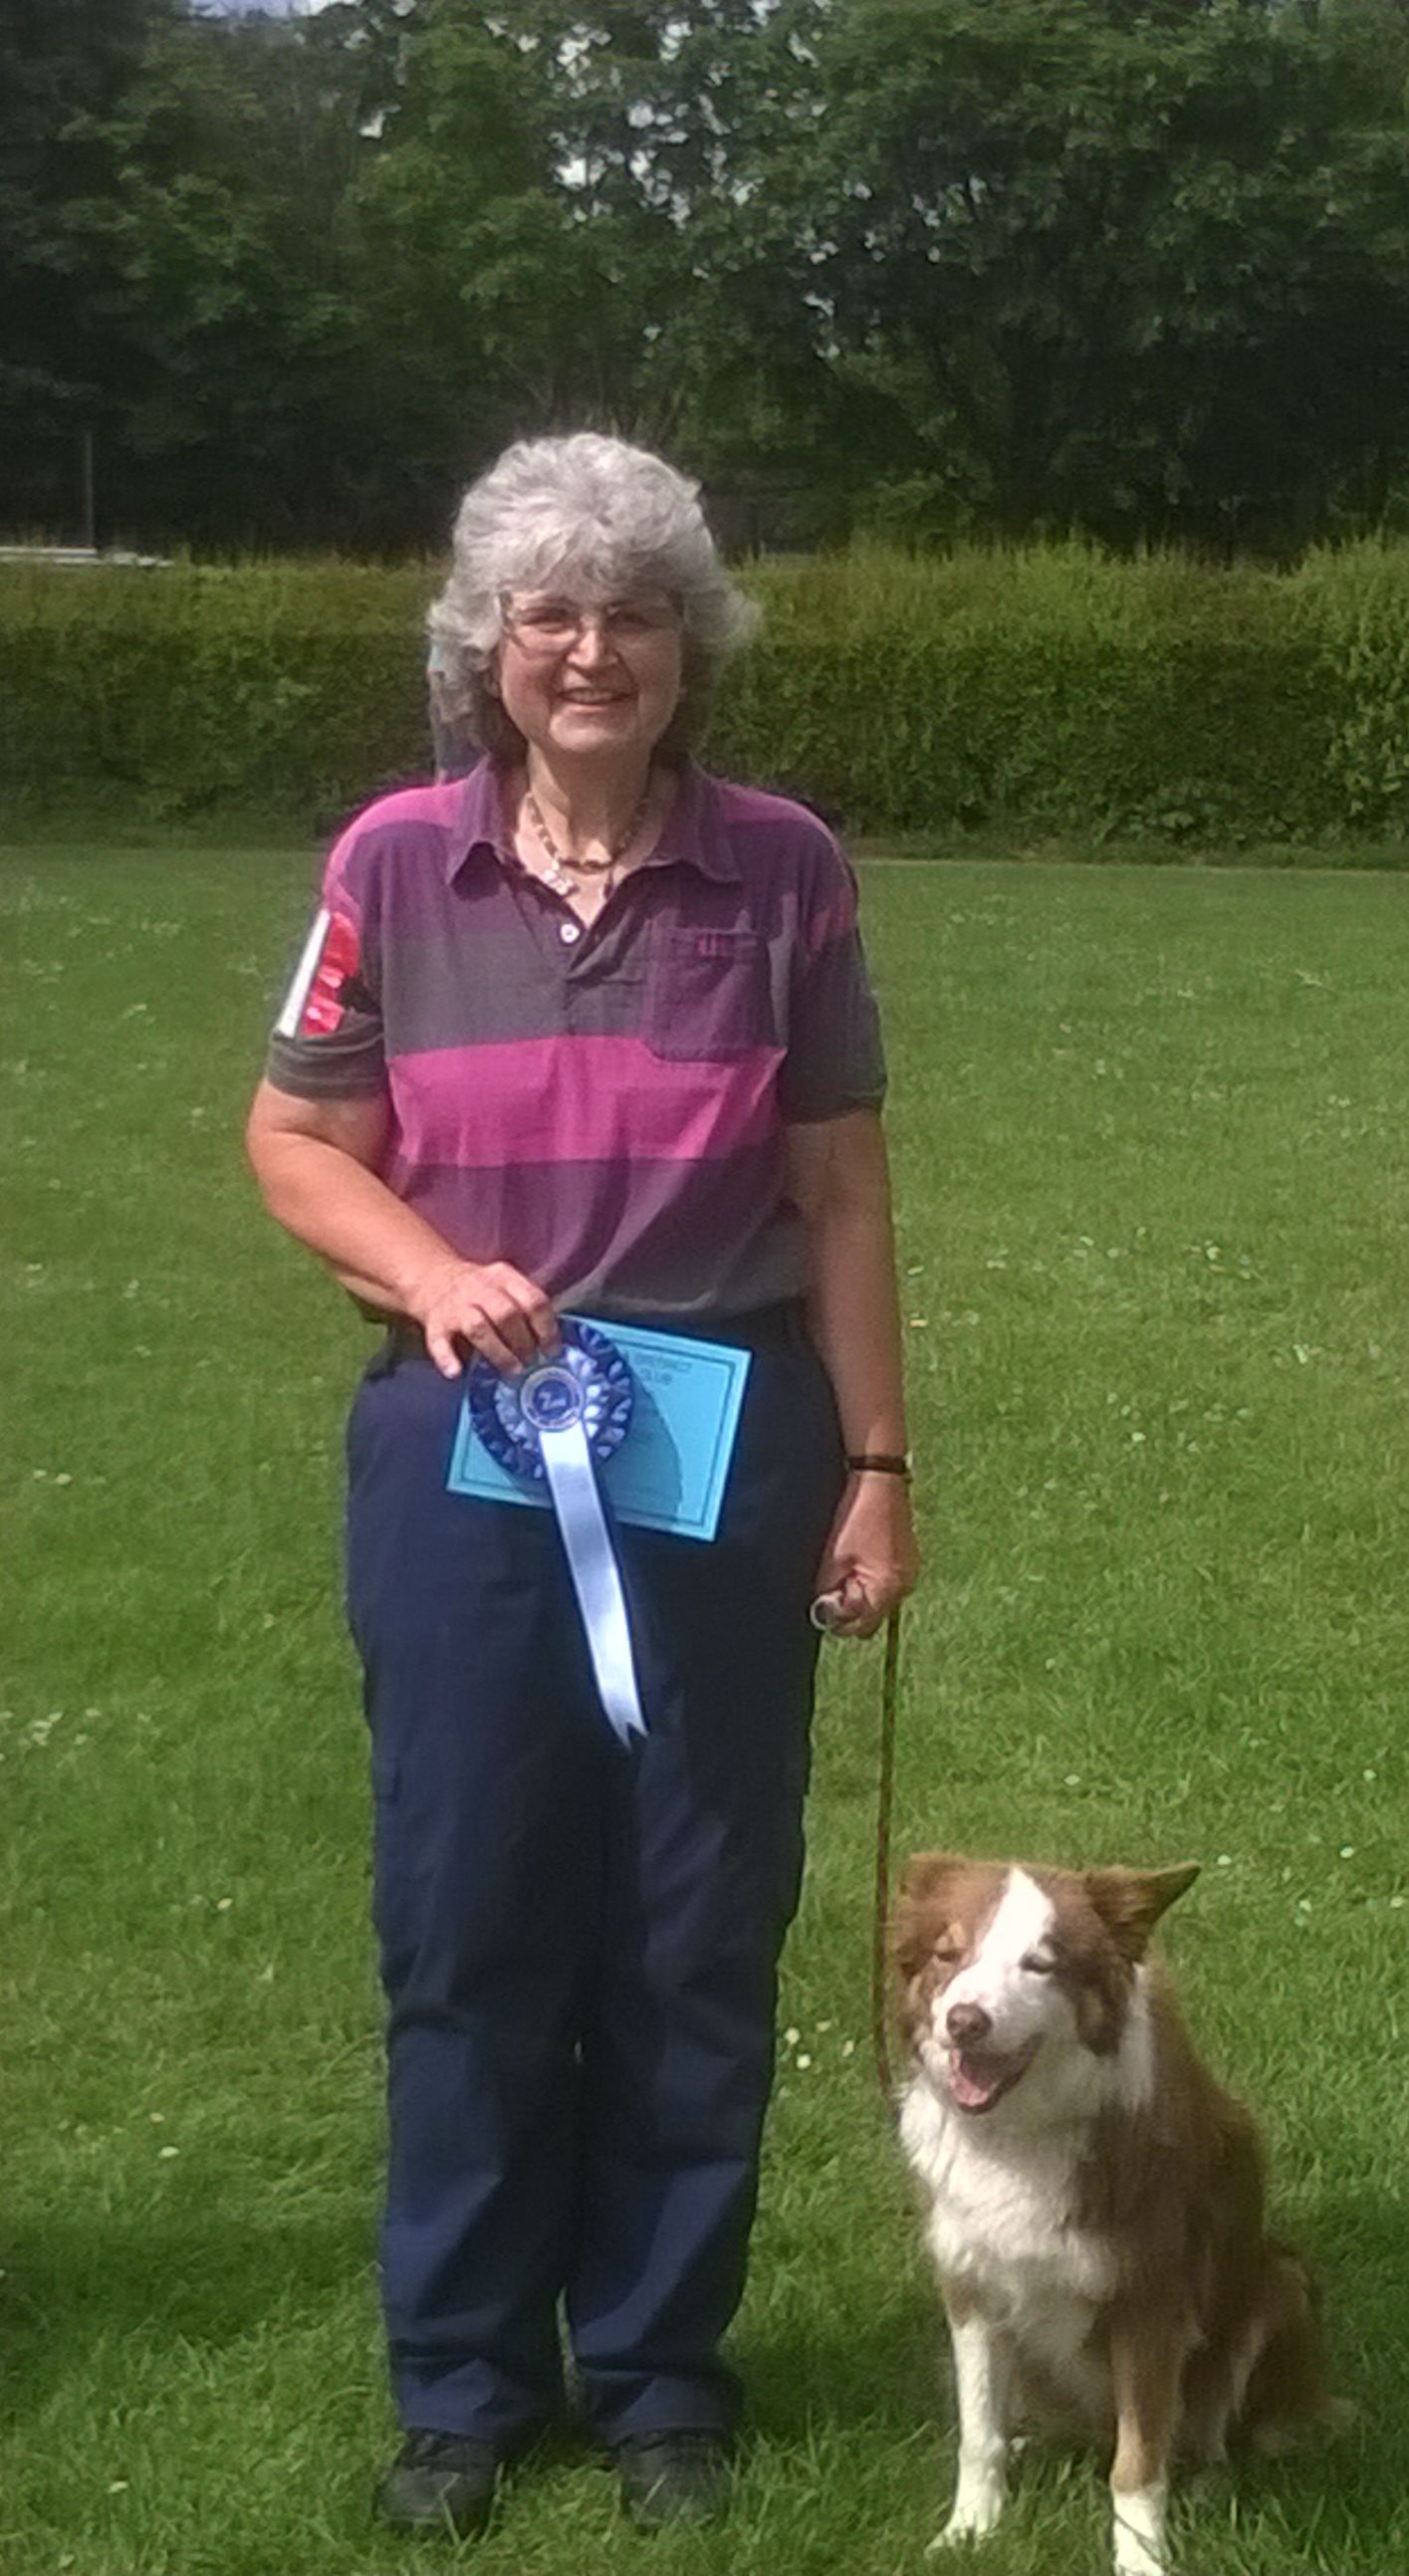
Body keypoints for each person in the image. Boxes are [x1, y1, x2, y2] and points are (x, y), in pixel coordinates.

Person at [245, 431, 918, 2538]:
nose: (593, 649)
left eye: (634, 611)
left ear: (689, 644)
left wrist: (878, 1460)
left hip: (725, 1437)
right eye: (549, 613)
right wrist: (434, 1273)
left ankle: (657, 2377)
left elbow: (841, 1188)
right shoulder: (387, 866)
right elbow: (294, 1140)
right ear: (489, 645)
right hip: (459, 1450)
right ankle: (460, 2385)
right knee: (467, 1913)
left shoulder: (787, 873)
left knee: (695, 1924)